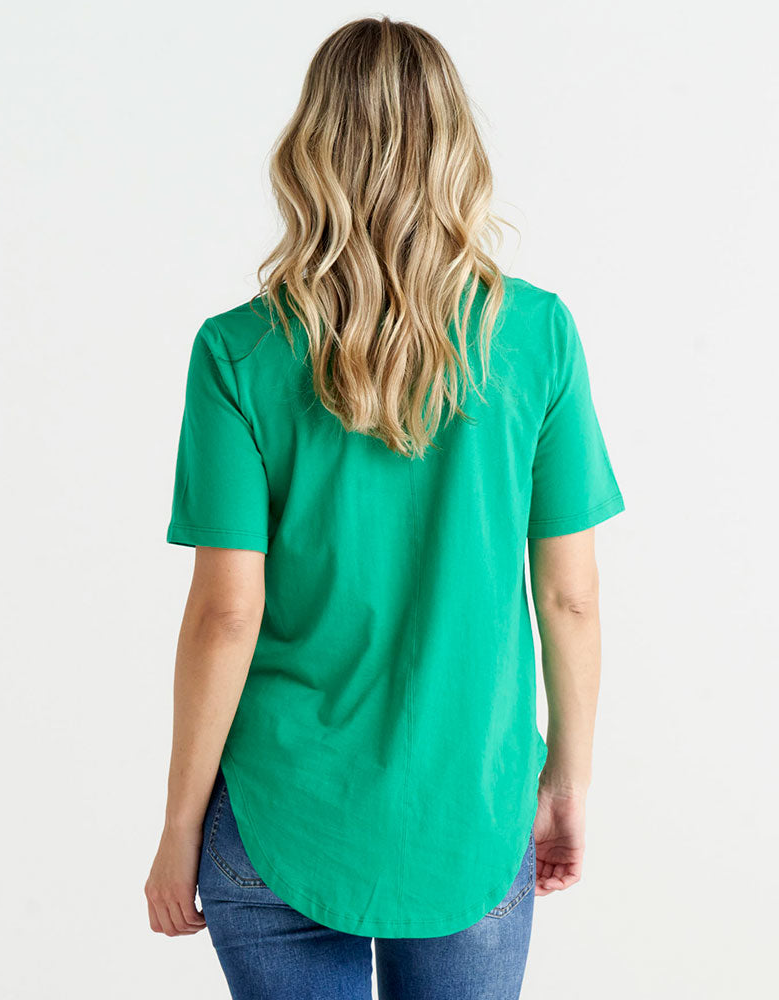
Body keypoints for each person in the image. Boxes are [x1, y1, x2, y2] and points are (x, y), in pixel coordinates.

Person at [144, 15, 625, 999]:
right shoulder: (536, 335)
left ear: (309, 152)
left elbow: (227, 611)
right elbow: (569, 596)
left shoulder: (237, 351)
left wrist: (181, 825)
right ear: (457, 151)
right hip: (472, 809)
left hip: (278, 813)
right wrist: (569, 780)